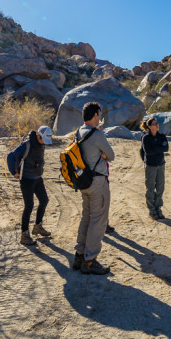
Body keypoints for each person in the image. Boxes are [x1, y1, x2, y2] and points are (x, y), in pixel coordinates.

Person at [73, 102, 115, 275]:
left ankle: (79, 255)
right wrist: (103, 155)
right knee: (98, 221)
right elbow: (110, 156)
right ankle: (90, 261)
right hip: (97, 181)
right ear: (96, 115)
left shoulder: (78, 132)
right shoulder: (97, 135)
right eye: (99, 114)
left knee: (86, 217)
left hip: (84, 181)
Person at [6, 127, 52, 246]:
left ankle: (37, 226)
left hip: (37, 178)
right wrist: (14, 172)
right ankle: (24, 235)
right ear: (38, 135)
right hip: (26, 179)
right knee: (29, 205)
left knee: (44, 200)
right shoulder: (26, 145)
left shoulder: (41, 144)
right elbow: (10, 156)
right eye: (43, 140)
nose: (44, 143)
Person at [140, 116, 169, 220]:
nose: (157, 125)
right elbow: (148, 151)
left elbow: (166, 148)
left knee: (160, 188)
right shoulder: (146, 138)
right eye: (154, 124)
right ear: (149, 126)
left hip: (161, 164)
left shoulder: (162, 136)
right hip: (150, 166)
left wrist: (156, 148)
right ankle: (152, 211)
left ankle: (158, 209)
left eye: (157, 123)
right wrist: (159, 148)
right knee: (150, 188)